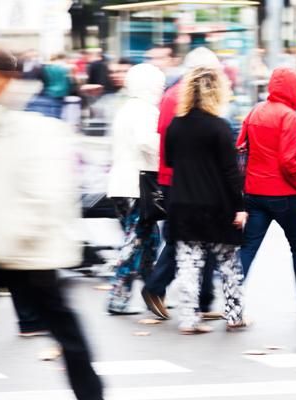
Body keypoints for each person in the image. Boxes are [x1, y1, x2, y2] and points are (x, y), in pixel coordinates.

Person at [0, 46, 104, 400]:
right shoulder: (0, 117)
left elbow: (47, 189)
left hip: (27, 249)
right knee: (66, 330)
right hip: (3, 245)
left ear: (7, 76)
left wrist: (16, 234)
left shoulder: (36, 118)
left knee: (66, 331)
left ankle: (91, 394)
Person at [142, 48, 224, 320]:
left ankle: (202, 299)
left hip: (177, 176)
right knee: (185, 238)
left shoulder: (174, 94)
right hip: (182, 179)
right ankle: (158, 287)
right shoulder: (183, 96)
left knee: (193, 237)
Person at [165, 66, 247, 334]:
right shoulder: (220, 127)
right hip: (217, 206)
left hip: (182, 204)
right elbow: (230, 172)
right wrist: (240, 207)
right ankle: (234, 316)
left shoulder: (176, 125)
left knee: (188, 265)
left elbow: (169, 161)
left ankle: (189, 319)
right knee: (228, 264)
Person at [236, 67, 296, 318]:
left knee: (248, 248)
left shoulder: (255, 111)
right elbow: (288, 160)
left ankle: (232, 300)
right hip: (283, 194)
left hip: (253, 192)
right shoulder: (289, 116)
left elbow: (240, 147)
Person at [105, 63, 165, 314]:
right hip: (137, 184)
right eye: (159, 85)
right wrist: (168, 151)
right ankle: (117, 297)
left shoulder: (127, 108)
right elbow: (147, 142)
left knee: (150, 240)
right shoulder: (144, 110)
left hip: (122, 183)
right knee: (136, 239)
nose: (162, 90)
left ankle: (154, 293)